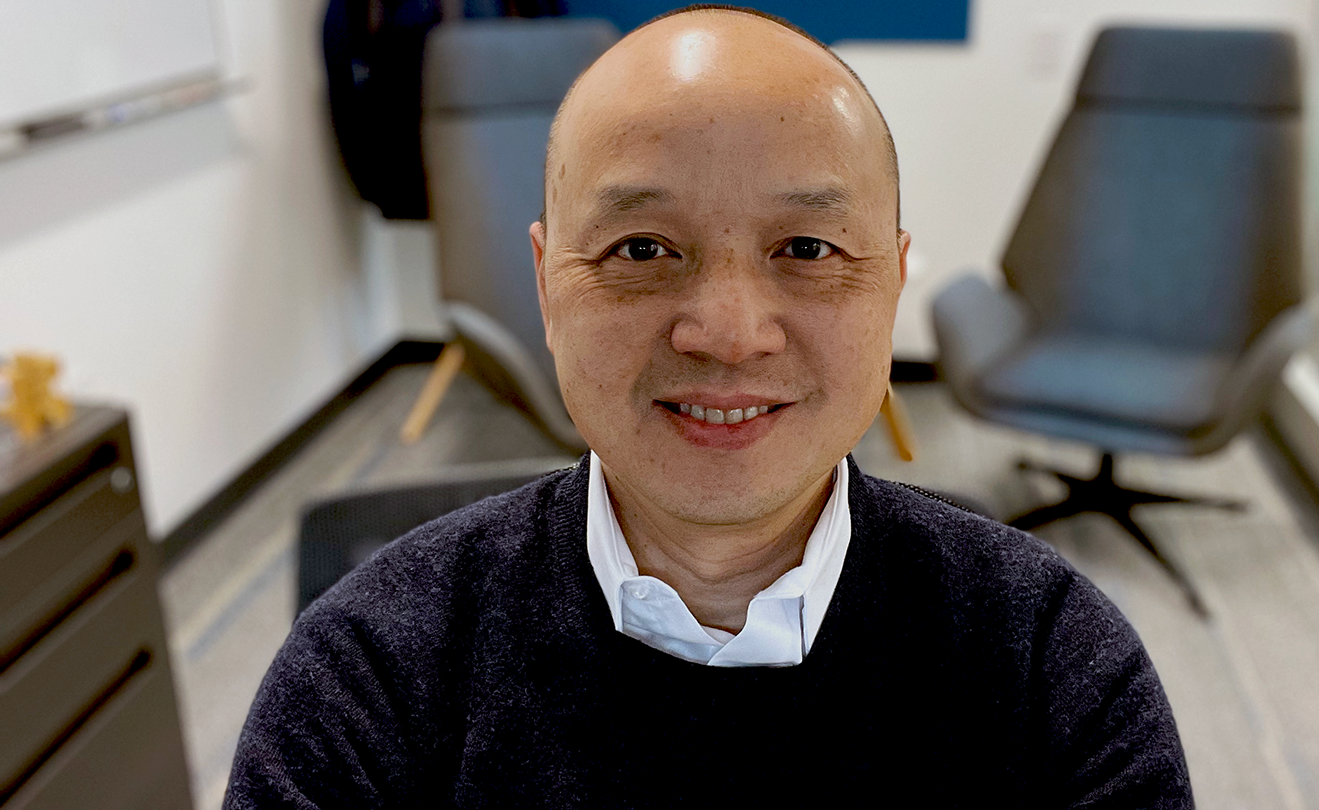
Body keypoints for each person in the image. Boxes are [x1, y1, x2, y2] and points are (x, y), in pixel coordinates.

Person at [225, 5, 1193, 807]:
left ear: (894, 286)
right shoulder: (362, 685)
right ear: (548, 286)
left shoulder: (1056, 667)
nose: (729, 333)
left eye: (807, 250)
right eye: (642, 250)